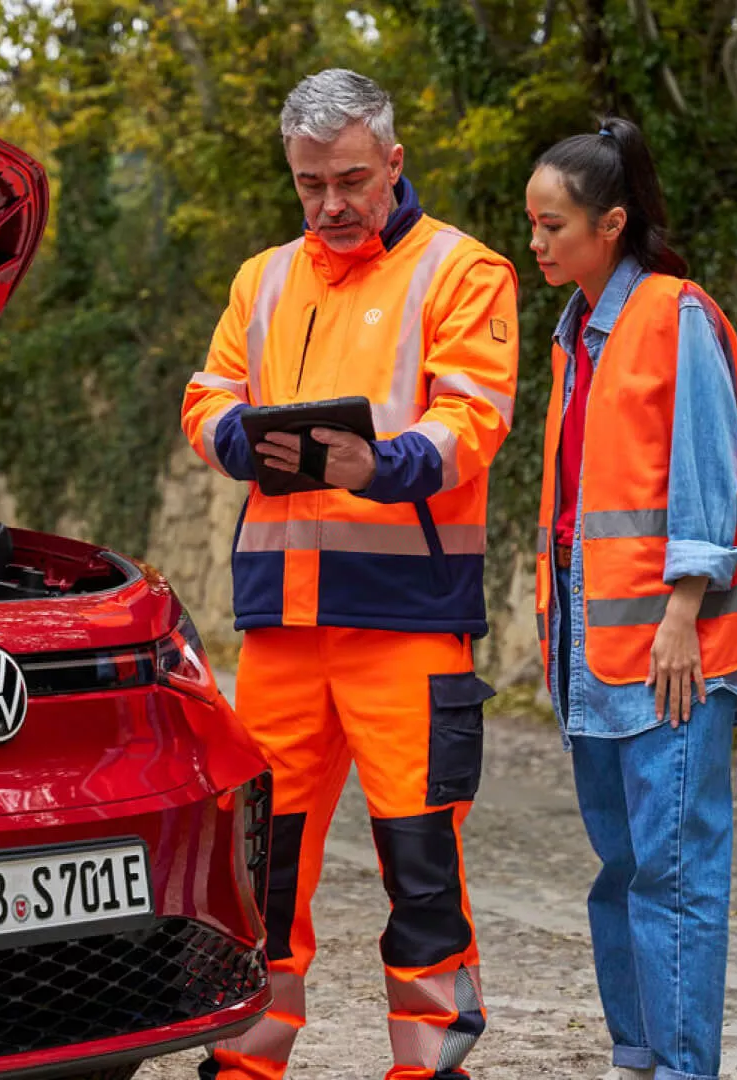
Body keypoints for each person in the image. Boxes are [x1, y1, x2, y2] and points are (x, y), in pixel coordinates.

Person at [181, 69, 518, 1080]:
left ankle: (431, 1068)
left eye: (352, 181)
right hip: (282, 631)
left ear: (395, 164)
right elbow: (206, 398)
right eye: (310, 184)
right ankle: (243, 1064)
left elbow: (473, 419)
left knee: (419, 872)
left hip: (408, 629)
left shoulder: (465, 270)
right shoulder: (263, 278)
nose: (331, 204)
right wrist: (241, 439)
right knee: (260, 874)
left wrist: (386, 464)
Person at [525, 117, 737, 1080]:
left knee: (676, 872)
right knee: (622, 871)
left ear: (610, 224)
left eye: (552, 225)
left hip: (669, 651)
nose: (537, 242)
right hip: (598, 649)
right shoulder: (576, 332)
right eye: (531, 224)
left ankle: (685, 1069)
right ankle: (636, 1054)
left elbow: (702, 470)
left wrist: (685, 610)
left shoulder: (675, 314)